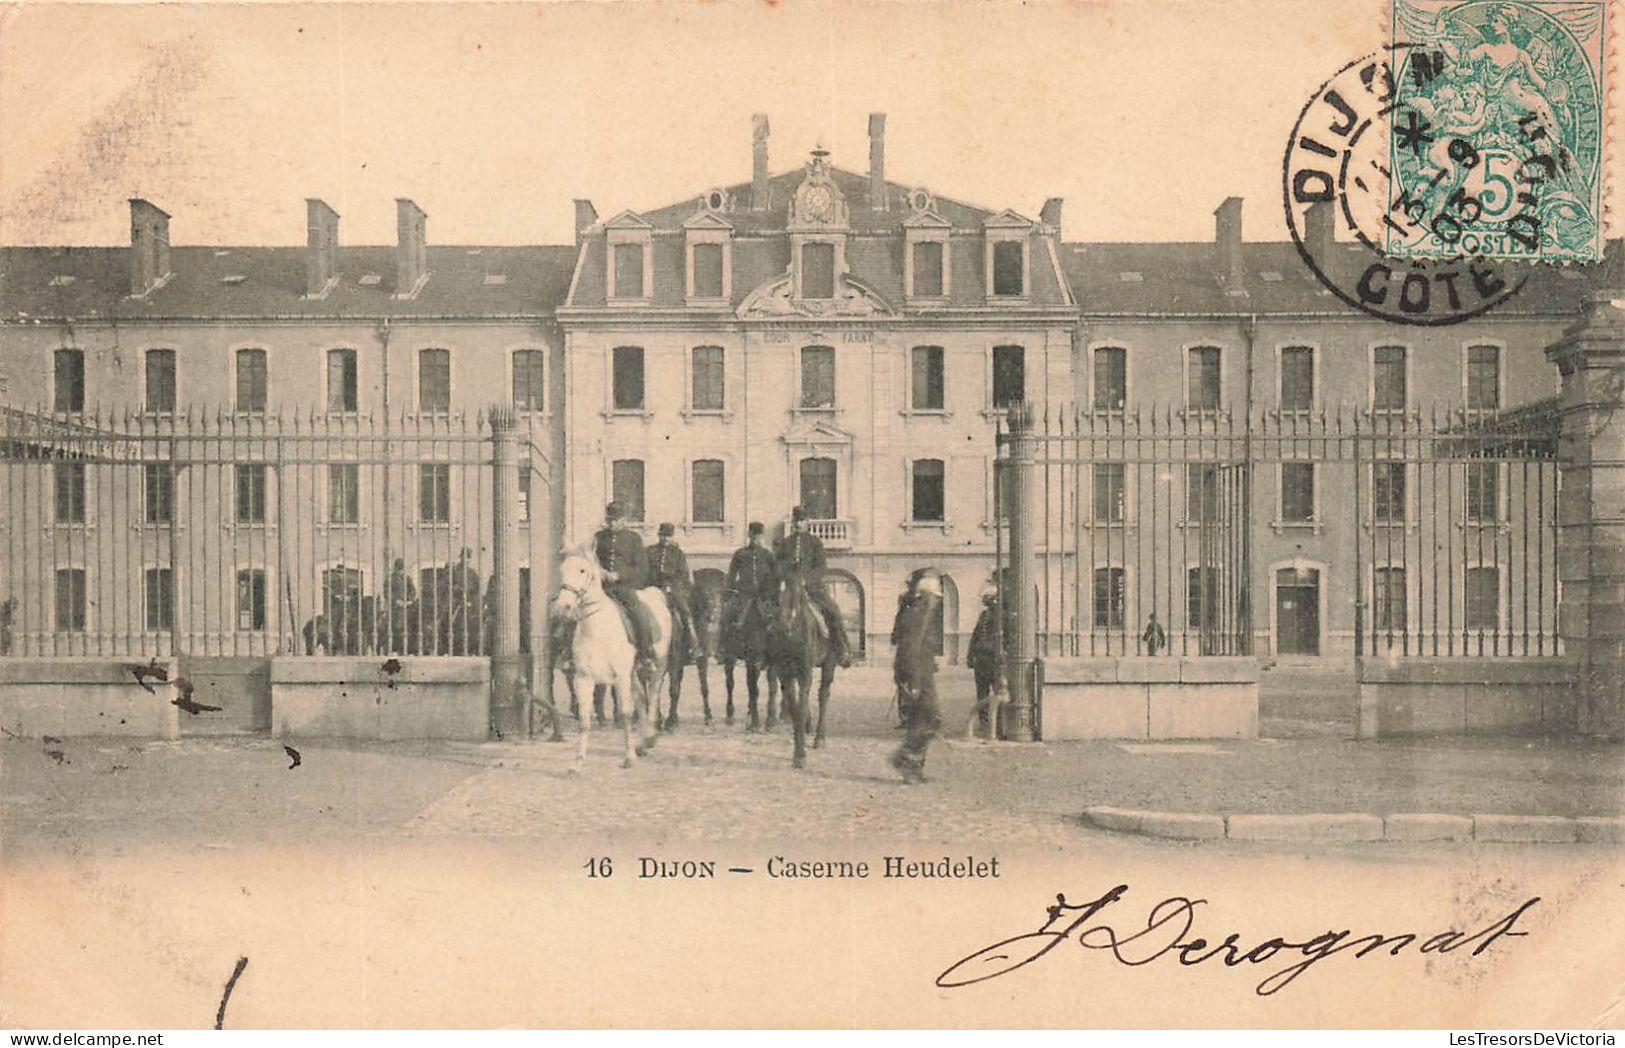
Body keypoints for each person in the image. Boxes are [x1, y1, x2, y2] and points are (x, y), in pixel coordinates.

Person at [775, 505, 852, 667]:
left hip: (813, 590)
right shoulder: (785, 543)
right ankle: (769, 654)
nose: (798, 524)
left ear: (807, 522)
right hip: (789, 589)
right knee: (771, 613)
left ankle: (842, 650)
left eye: (801, 520)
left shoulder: (815, 543)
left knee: (834, 612)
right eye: (796, 520)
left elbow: (821, 568)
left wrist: (806, 580)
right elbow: (778, 566)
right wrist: (788, 573)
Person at [889, 571, 943, 784]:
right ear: (928, 595)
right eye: (935, 597)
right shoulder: (920, 611)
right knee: (928, 715)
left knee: (922, 718)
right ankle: (904, 758)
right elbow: (911, 645)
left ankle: (913, 767)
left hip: (920, 669)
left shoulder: (919, 609)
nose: (937, 601)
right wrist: (914, 680)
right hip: (916, 672)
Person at [593, 501, 656, 663]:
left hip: (624, 587)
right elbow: (592, 559)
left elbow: (641, 567)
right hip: (602, 586)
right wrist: (600, 571)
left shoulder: (633, 539)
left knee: (638, 611)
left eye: (615, 520)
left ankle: (646, 652)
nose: (611, 523)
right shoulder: (599, 537)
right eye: (609, 520)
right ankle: (569, 654)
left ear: (623, 520)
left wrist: (619, 575)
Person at [649, 522, 701, 658]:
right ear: (658, 536)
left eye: (668, 536)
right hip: (652, 587)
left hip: (672, 588)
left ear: (672, 537)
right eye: (663, 536)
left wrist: (670, 586)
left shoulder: (678, 553)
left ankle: (692, 642)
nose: (665, 539)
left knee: (684, 610)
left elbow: (683, 574)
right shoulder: (650, 551)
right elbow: (645, 570)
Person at [724, 521, 776, 655]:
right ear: (749, 535)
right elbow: (732, 574)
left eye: (758, 537)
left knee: (774, 620)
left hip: (763, 596)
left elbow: (775, 575)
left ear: (762, 537)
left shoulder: (768, 555)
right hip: (744, 595)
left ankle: (773, 651)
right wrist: (731, 589)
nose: (756, 540)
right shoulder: (740, 554)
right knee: (728, 614)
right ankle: (724, 649)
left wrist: (770, 591)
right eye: (753, 536)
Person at [966, 586, 1002, 735]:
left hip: (994, 660)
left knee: (997, 692)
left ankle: (997, 724)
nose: (987, 602)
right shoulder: (984, 615)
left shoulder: (1001, 617)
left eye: (989, 598)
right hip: (981, 660)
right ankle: (984, 722)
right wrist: (970, 655)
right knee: (982, 693)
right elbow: (975, 636)